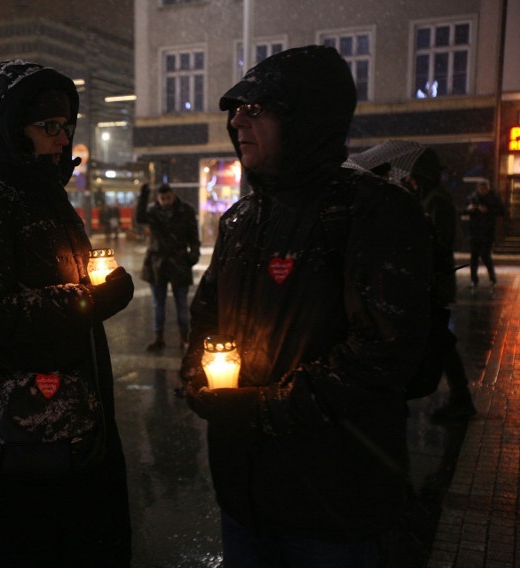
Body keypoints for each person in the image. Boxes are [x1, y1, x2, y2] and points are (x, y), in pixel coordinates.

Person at [180, 45, 433, 567]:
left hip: (334, 502)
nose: (238, 121)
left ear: (306, 118)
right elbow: (208, 318)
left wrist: (266, 407)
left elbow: (383, 353)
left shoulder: (370, 209)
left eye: (256, 109)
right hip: (244, 492)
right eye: (235, 110)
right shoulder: (240, 218)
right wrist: (196, 377)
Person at [0, 60, 134, 566]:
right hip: (14, 454)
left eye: (67, 127)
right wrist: (91, 300)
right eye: (49, 127)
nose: (63, 140)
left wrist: (96, 286)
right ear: (8, 129)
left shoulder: (47, 198)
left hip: (67, 441)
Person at [402, 149, 476, 421]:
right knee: (439, 340)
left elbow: (438, 242)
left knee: (440, 341)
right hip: (431, 281)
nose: (411, 180)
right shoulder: (428, 199)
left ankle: (461, 398)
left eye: (414, 176)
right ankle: (459, 397)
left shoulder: (437, 201)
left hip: (435, 281)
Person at [135, 182, 200, 352]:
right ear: (158, 198)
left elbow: (194, 236)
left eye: (168, 197)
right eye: (162, 198)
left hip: (179, 261)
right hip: (157, 262)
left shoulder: (186, 210)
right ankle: (159, 338)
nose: (165, 201)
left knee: (182, 303)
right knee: (158, 303)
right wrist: (143, 196)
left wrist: (193, 255)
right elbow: (139, 218)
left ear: (173, 195)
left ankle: (184, 338)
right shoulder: (153, 211)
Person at [465, 180, 504, 291]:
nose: (482, 191)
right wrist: (469, 209)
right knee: (474, 257)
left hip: (487, 232)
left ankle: (492, 278)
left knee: (485, 255)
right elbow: (463, 210)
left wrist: (488, 210)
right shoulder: (472, 198)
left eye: (485, 188)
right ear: (478, 188)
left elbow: (501, 211)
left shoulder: (494, 198)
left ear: (488, 188)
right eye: (481, 189)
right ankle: (474, 279)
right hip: (474, 232)